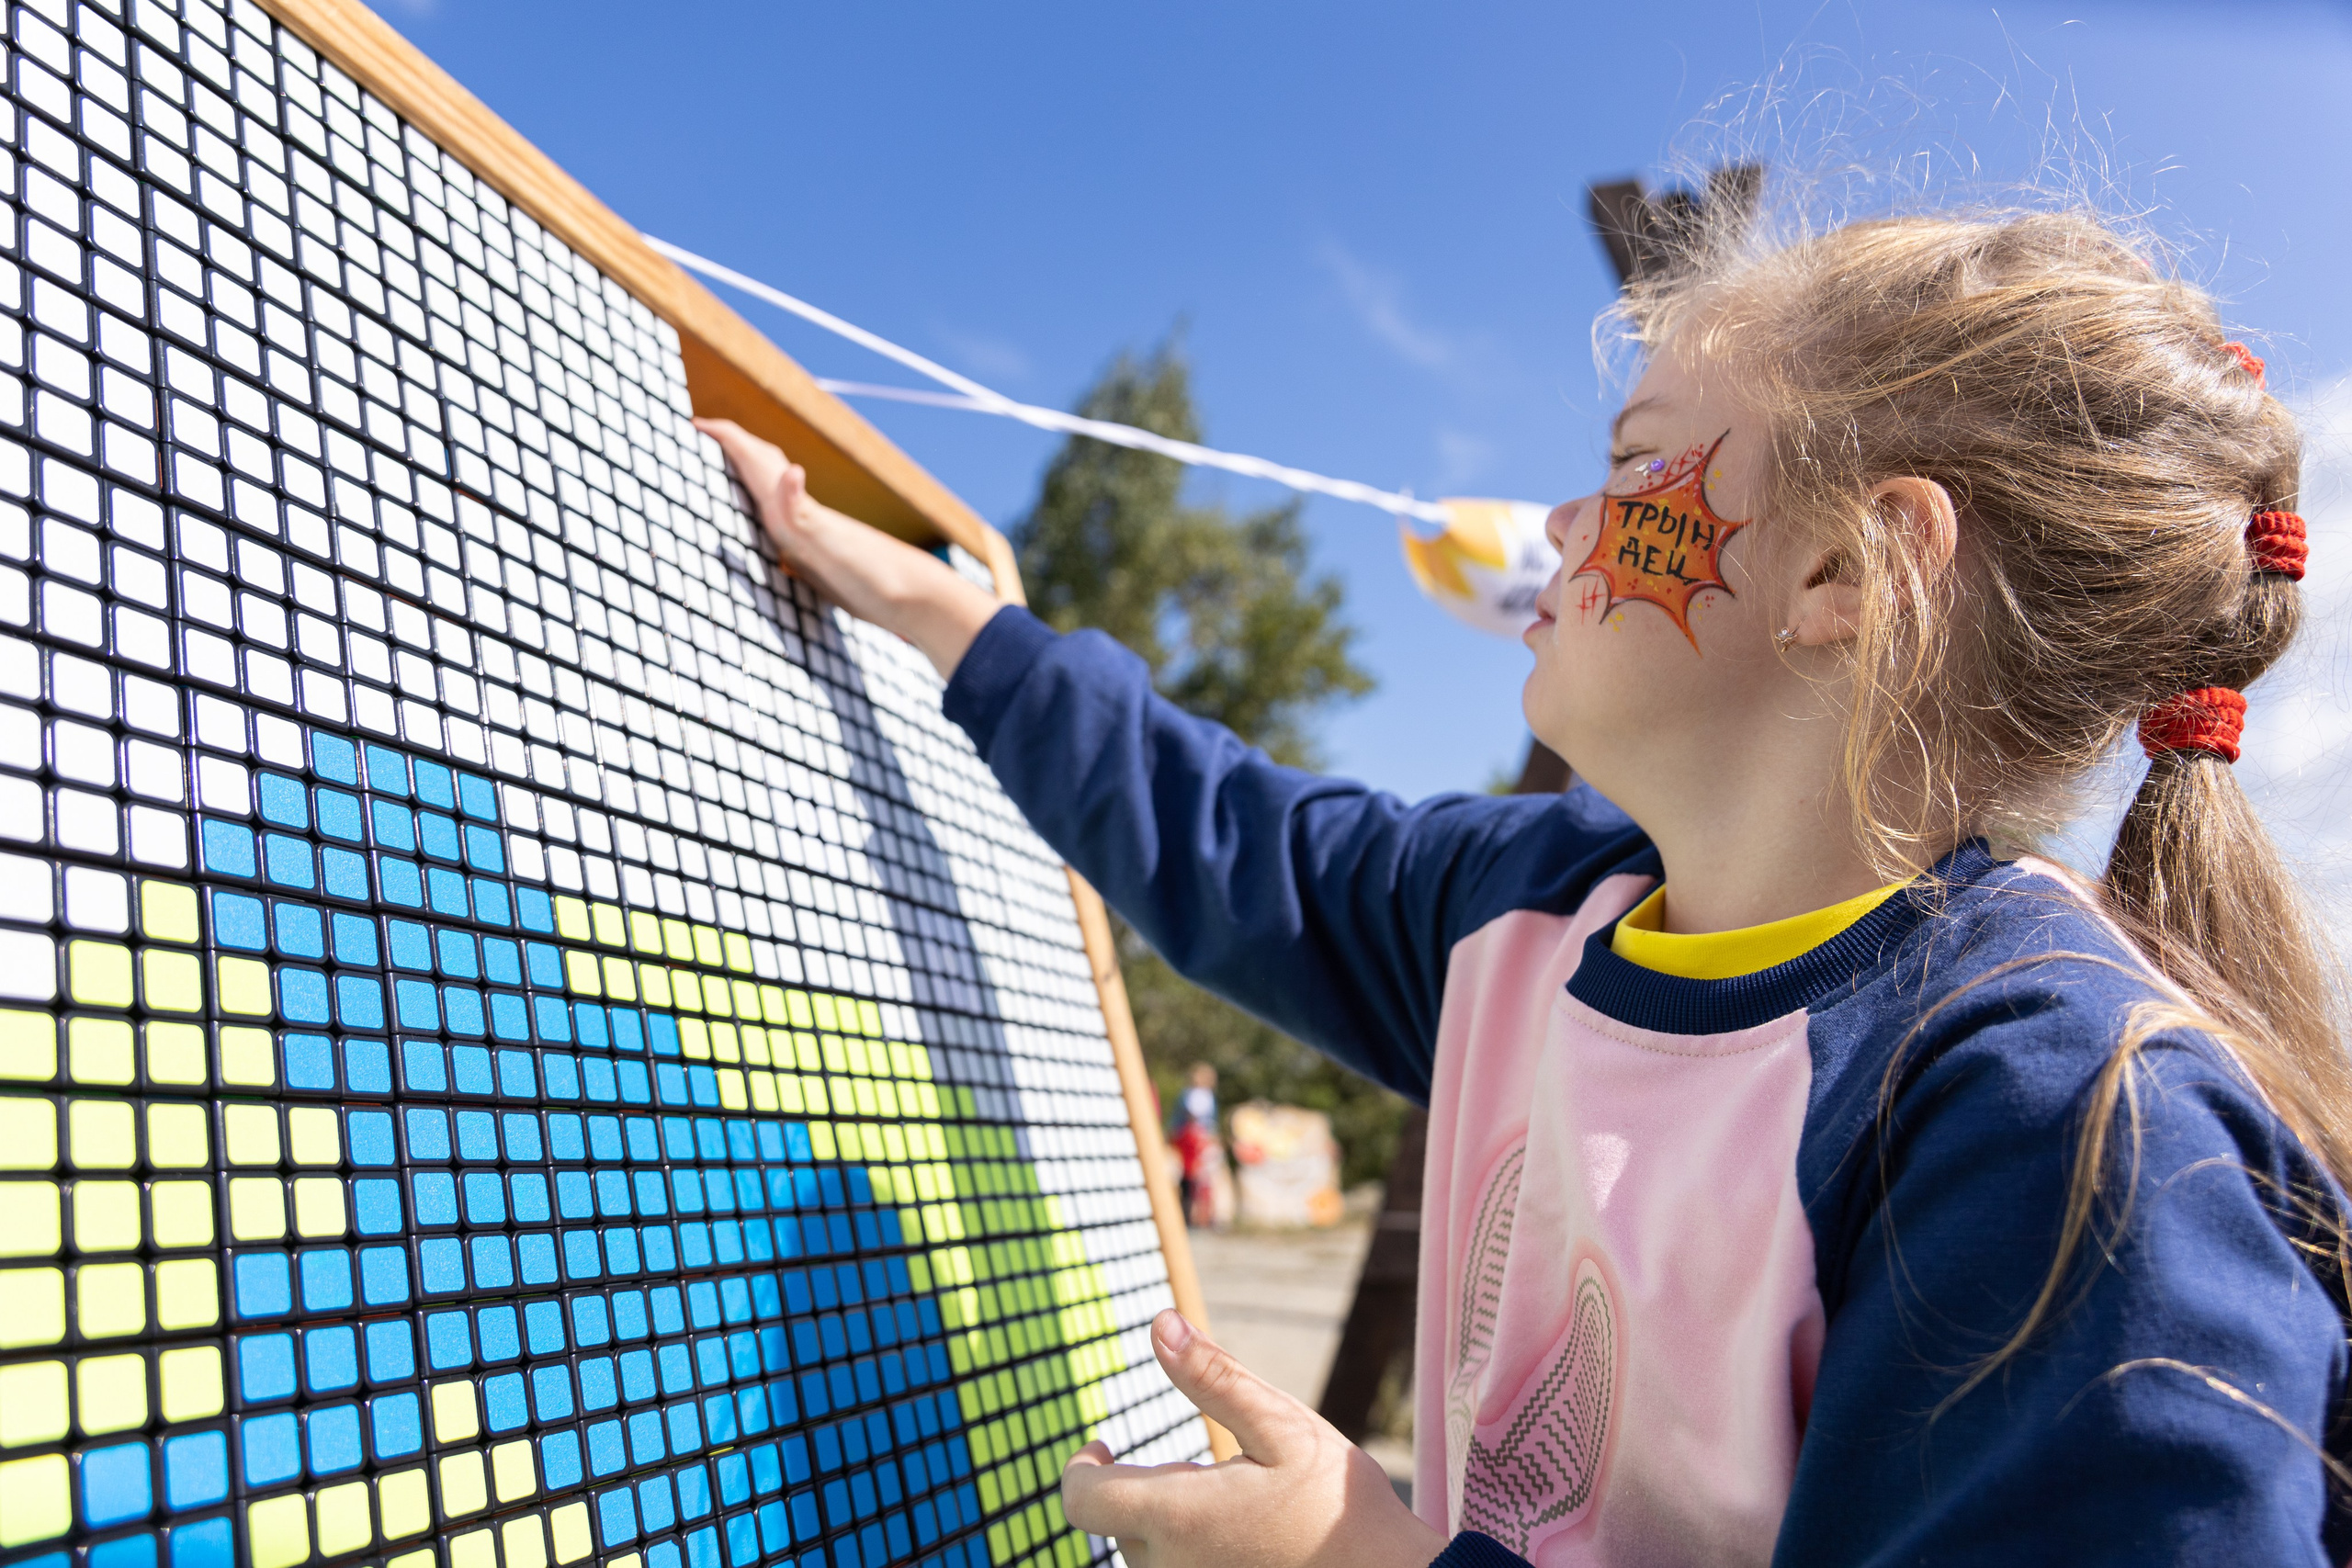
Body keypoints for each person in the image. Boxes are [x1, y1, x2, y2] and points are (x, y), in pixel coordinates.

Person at [697, 206, 2352, 1567]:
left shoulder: (2069, 1128)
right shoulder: (1530, 910)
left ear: (1847, 571)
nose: (1564, 520)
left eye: (1638, 466)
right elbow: (1232, 837)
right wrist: (944, 619)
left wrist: (1370, 1557)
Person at [1169, 1062, 1225, 1227]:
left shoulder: (1208, 1097)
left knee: (1206, 1179)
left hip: (1203, 1140)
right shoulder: (1189, 1095)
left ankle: (1205, 1217)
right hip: (1191, 1140)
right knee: (1189, 1178)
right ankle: (1187, 1216)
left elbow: (1211, 1122)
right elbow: (1182, 1119)